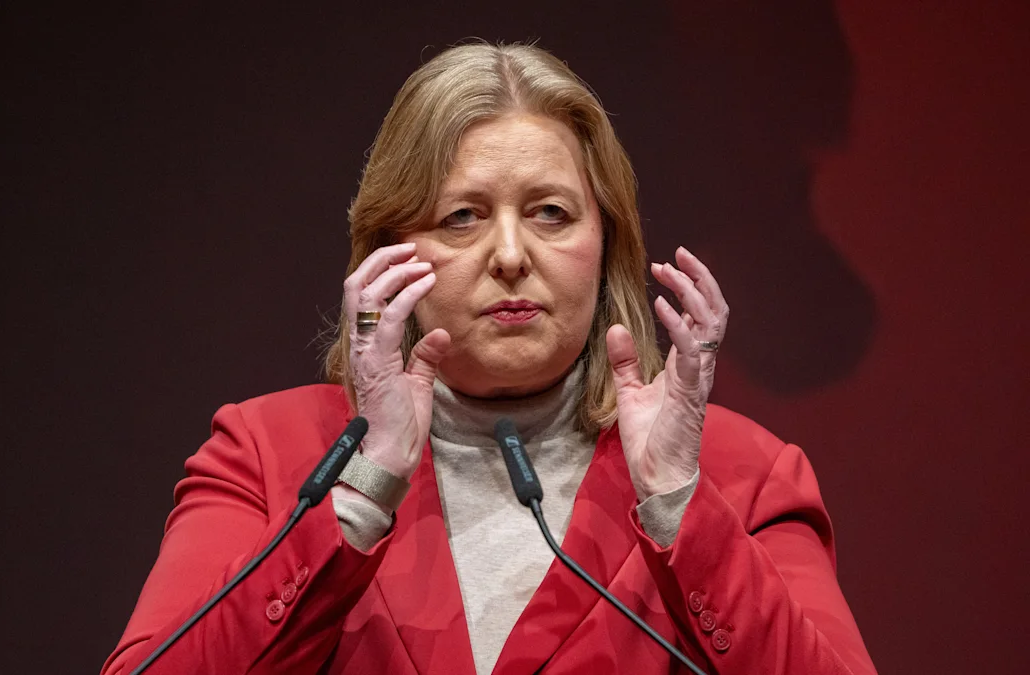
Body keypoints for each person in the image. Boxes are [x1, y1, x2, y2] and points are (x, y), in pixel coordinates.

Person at [101, 42, 876, 675]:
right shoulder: (264, 456)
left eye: (551, 213)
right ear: (391, 252)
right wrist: (364, 489)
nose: (510, 254)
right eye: (463, 216)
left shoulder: (742, 475)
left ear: (605, 245)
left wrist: (679, 504)